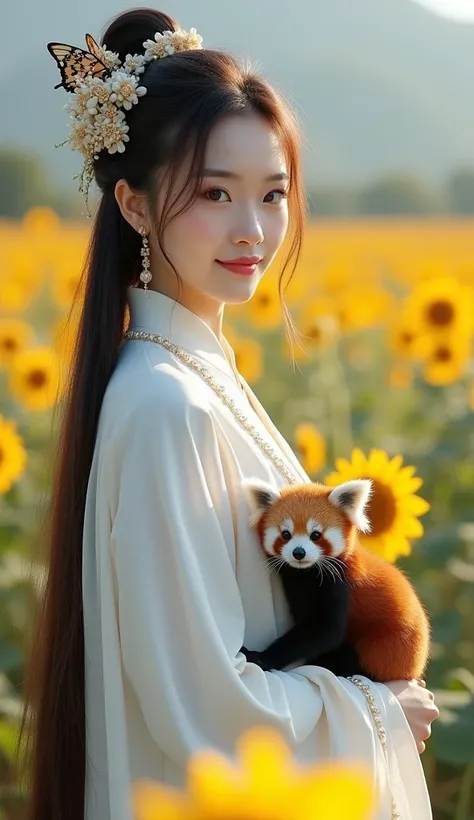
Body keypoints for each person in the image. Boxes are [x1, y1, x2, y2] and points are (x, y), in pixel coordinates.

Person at [18, 7, 439, 820]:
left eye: (273, 194)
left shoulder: (196, 376)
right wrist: (381, 713)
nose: (254, 231)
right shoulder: (164, 405)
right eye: (215, 192)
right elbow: (202, 707)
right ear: (135, 206)